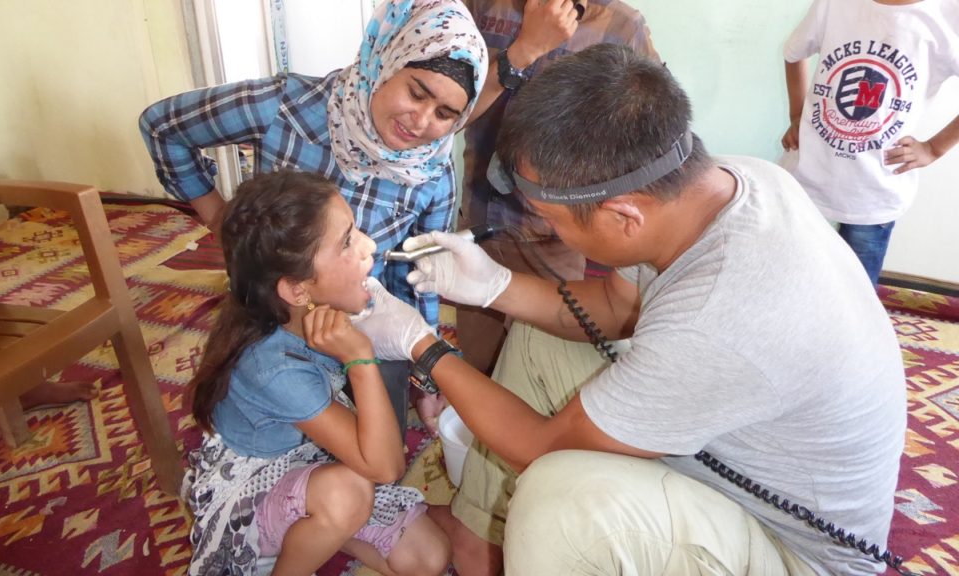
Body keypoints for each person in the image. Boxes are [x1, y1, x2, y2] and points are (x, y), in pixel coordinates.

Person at [351, 44, 907, 576]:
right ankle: (479, 540)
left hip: (790, 545)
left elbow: (542, 448)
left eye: (553, 218)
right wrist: (494, 286)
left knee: (559, 500)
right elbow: (618, 306)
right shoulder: (731, 181)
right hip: (732, 447)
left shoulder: (717, 317)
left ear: (624, 216)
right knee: (539, 339)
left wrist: (422, 344)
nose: (546, 229)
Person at [139, 0, 488, 436]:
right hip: (271, 315)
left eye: (445, 114)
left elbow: (415, 273)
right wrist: (219, 218)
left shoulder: (432, 169)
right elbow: (163, 127)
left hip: (364, 326)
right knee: (264, 430)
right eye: (417, 93)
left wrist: (424, 365)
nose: (420, 123)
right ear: (385, 60)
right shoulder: (285, 108)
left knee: (377, 442)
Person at [183, 170, 449, 576]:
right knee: (348, 492)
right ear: (297, 290)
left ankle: (323, 523)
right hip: (254, 488)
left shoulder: (315, 310)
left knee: (428, 558)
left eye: (355, 229)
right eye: (346, 241)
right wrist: (360, 359)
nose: (369, 246)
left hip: (309, 458)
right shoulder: (273, 368)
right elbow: (386, 468)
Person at [456, 0, 658, 374]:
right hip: (480, 219)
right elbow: (449, 112)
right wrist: (525, 49)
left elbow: (647, 131)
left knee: (539, 364)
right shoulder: (481, 7)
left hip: (557, 237)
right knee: (477, 361)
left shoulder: (621, 26)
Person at [781, 0, 959, 286]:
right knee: (792, 278)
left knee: (856, 291)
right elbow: (793, 53)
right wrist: (796, 114)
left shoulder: (948, 16)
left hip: (876, 192)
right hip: (806, 178)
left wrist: (933, 148)